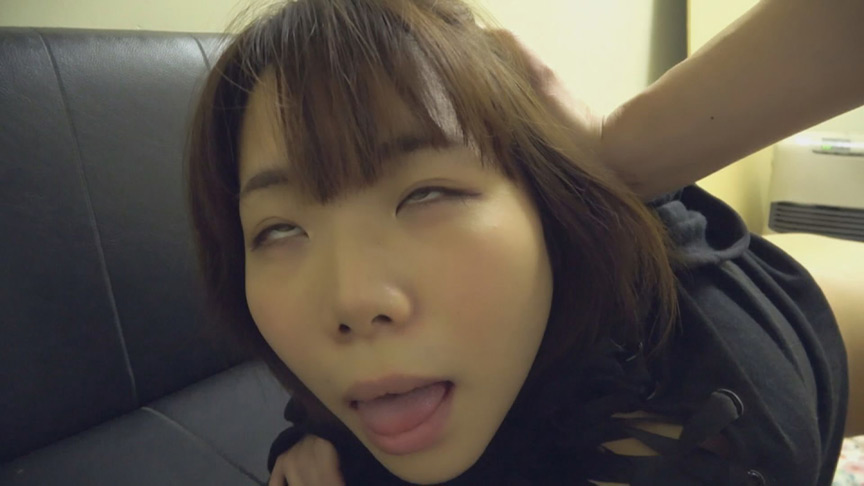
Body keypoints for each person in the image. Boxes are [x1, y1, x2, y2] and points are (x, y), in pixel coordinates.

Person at [183, 0, 863, 484]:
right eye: (280, 229)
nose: (352, 301)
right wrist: (317, 426)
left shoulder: (689, 423)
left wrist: (619, 148)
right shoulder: (410, 352)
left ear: (543, 203)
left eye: (426, 194)